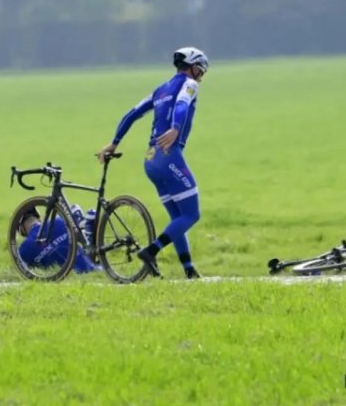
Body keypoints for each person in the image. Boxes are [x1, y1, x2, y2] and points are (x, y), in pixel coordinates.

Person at [97, 47, 208, 280]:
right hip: (169, 155)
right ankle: (151, 251)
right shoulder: (190, 84)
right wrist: (175, 129)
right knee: (191, 215)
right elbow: (182, 105)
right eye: (201, 70)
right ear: (193, 67)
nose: (201, 76)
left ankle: (189, 270)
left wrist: (114, 142)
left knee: (177, 218)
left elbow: (132, 114)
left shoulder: (159, 90)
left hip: (150, 160)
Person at [16, 205, 101, 274]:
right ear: (38, 217)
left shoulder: (23, 250)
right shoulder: (60, 220)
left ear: (22, 229)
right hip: (90, 267)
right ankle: (88, 229)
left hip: (66, 275)